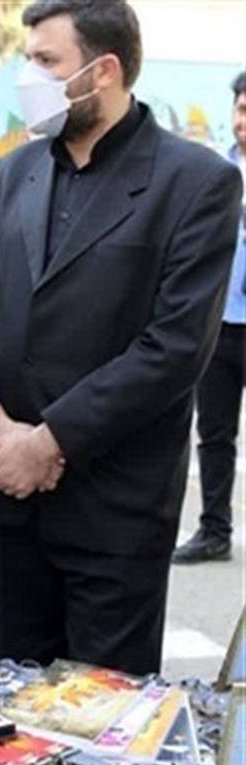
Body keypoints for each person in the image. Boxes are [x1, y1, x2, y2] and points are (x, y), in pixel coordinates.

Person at [0, 0, 242, 675]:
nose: (28, 77)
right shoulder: (14, 172)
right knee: (16, 703)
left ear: (103, 70)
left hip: (115, 515)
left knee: (105, 720)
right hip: (12, 499)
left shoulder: (195, 182)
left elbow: (174, 349)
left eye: (46, 61)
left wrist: (48, 442)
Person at [172, 70, 246, 564]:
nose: (244, 121)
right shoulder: (216, 172)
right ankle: (214, 530)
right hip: (218, 324)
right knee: (214, 432)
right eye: (241, 109)